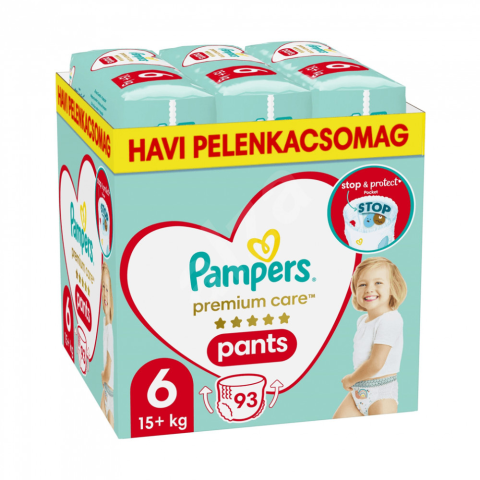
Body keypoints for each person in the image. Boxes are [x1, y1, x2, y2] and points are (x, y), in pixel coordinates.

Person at [333, 257, 407, 418]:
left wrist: (350, 379)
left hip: (381, 393)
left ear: (393, 287)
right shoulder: (362, 321)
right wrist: (354, 381)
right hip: (359, 390)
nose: (369, 289)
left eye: (378, 283)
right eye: (362, 284)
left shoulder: (390, 319)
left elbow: (376, 363)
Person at [100, 261, 114, 428]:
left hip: (109, 389)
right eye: (103, 288)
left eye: (107, 289)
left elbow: (109, 369)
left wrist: (103, 375)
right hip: (106, 389)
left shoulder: (109, 328)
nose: (104, 294)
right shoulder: (105, 323)